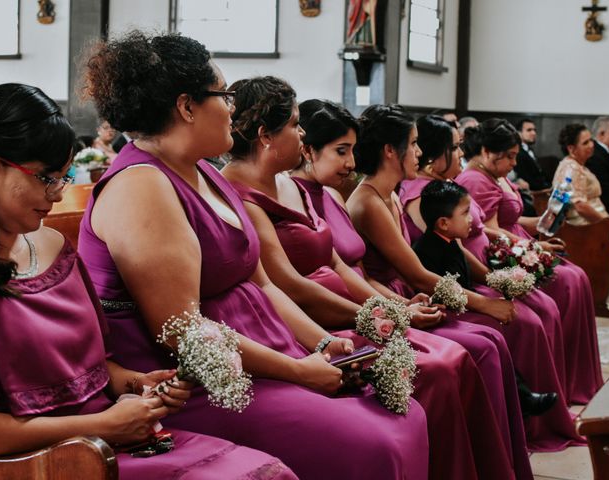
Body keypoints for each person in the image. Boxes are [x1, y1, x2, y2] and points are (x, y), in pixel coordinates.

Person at [78, 32, 429, 480]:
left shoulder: (206, 170)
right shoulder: (141, 185)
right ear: (187, 107)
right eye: (223, 95)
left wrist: (319, 343)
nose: (232, 108)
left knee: (405, 413)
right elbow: (181, 331)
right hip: (200, 386)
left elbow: (262, 283)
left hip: (266, 352)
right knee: (376, 440)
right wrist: (299, 372)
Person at [0, 81, 298, 480]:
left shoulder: (55, 247)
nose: (58, 196)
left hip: (114, 437)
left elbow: (94, 367)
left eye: (63, 178)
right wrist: (100, 426)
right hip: (44, 461)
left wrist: (137, 383)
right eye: (47, 179)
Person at [223, 87, 523, 479]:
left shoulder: (296, 186)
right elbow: (289, 285)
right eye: (296, 125)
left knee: (455, 356)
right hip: (314, 318)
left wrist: (389, 310)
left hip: (352, 306)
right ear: (266, 135)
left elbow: (341, 264)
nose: (302, 135)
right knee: (439, 365)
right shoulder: (243, 195)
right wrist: (379, 315)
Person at [399, 115, 584, 450]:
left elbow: (458, 244)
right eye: (454, 147)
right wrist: (486, 295)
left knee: (540, 306)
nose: (461, 153)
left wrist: (498, 277)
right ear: (434, 152)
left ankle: (544, 408)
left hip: (464, 276)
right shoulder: (422, 196)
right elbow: (433, 259)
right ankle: (524, 417)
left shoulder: (446, 189)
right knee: (524, 322)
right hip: (439, 288)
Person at [456, 118, 603, 405]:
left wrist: (542, 221)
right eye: (510, 156)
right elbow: (487, 229)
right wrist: (530, 245)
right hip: (500, 253)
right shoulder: (474, 179)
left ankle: (573, 381)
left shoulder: (496, 175)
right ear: (487, 152)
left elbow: (510, 220)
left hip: (517, 242)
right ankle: (563, 385)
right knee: (568, 284)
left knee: (578, 277)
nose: (515, 162)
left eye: (515, 155)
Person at [554, 123, 609, 317]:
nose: (591, 145)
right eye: (585, 142)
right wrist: (608, 221)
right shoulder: (570, 168)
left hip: (594, 223)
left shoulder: (578, 166)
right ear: (571, 148)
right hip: (584, 226)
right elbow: (579, 205)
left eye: (591, 140)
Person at [586, 116, 609, 218]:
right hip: (606, 214)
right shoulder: (595, 156)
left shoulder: (607, 153)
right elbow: (606, 195)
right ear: (602, 134)